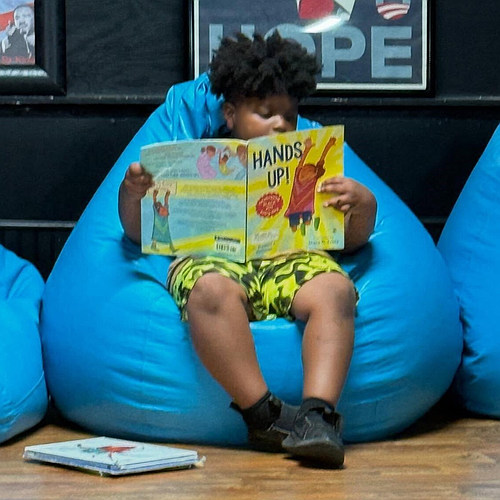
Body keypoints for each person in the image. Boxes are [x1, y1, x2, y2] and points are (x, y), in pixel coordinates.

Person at [118, 32, 377, 468]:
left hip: (289, 257)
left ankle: (318, 417)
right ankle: (263, 413)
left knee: (335, 290)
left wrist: (362, 205)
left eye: (289, 116)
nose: (281, 124)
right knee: (209, 293)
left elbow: (351, 242)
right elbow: (137, 233)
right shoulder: (198, 152)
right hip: (212, 261)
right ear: (231, 114)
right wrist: (133, 192)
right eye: (265, 113)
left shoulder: (308, 161)